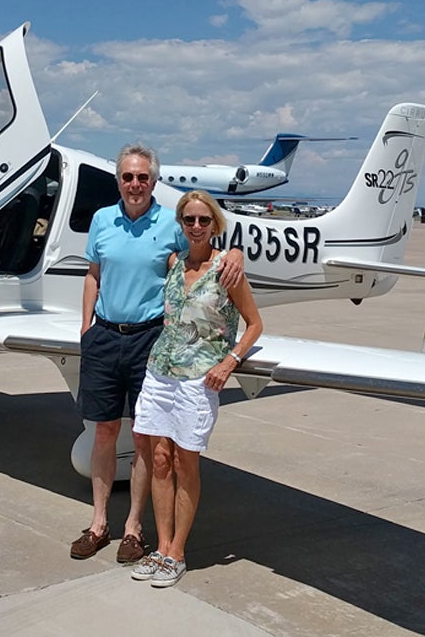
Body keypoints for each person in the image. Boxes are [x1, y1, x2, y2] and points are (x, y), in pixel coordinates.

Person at [71, 145, 244, 564]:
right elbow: (94, 273)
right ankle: (98, 523)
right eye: (128, 177)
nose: (135, 184)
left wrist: (235, 252)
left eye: (143, 178)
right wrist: (85, 329)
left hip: (150, 339)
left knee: (147, 440)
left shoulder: (172, 222)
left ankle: (133, 528)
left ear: (153, 182)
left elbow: (203, 250)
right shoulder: (101, 220)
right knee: (105, 431)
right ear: (119, 180)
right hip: (105, 336)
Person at [128, 189, 263, 587]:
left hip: (198, 379)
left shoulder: (227, 269)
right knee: (159, 459)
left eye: (205, 220)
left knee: (186, 462)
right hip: (161, 371)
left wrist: (230, 361)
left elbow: (255, 323)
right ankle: (161, 545)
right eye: (190, 220)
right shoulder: (174, 264)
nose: (197, 226)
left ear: (215, 224)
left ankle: (178, 553)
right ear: (182, 224)